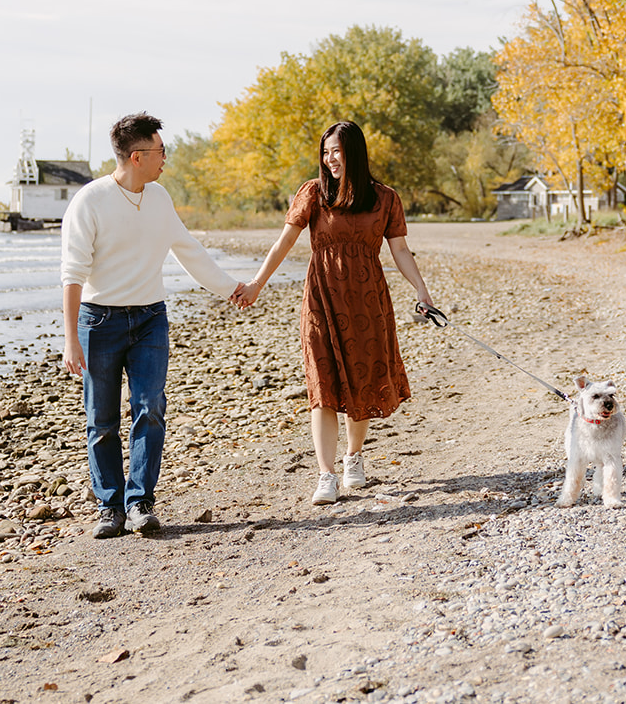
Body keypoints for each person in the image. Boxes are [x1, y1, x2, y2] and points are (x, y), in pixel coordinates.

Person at [61, 112, 247, 538]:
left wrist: (232, 288)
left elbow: (188, 250)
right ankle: (110, 507)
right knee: (101, 419)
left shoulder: (159, 198)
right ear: (136, 155)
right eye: (161, 151)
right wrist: (71, 340)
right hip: (99, 321)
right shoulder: (89, 201)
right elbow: (72, 274)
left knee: (151, 409)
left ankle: (140, 501)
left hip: (150, 319)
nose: (166, 159)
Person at [237, 121, 435, 504]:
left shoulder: (384, 198)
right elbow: (284, 242)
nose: (330, 159)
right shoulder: (313, 193)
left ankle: (353, 458)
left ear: (355, 154)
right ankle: (325, 474)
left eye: (337, 152)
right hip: (321, 299)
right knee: (323, 386)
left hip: (368, 301)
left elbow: (400, 251)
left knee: (360, 383)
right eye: (325, 152)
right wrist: (257, 284)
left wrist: (422, 290)